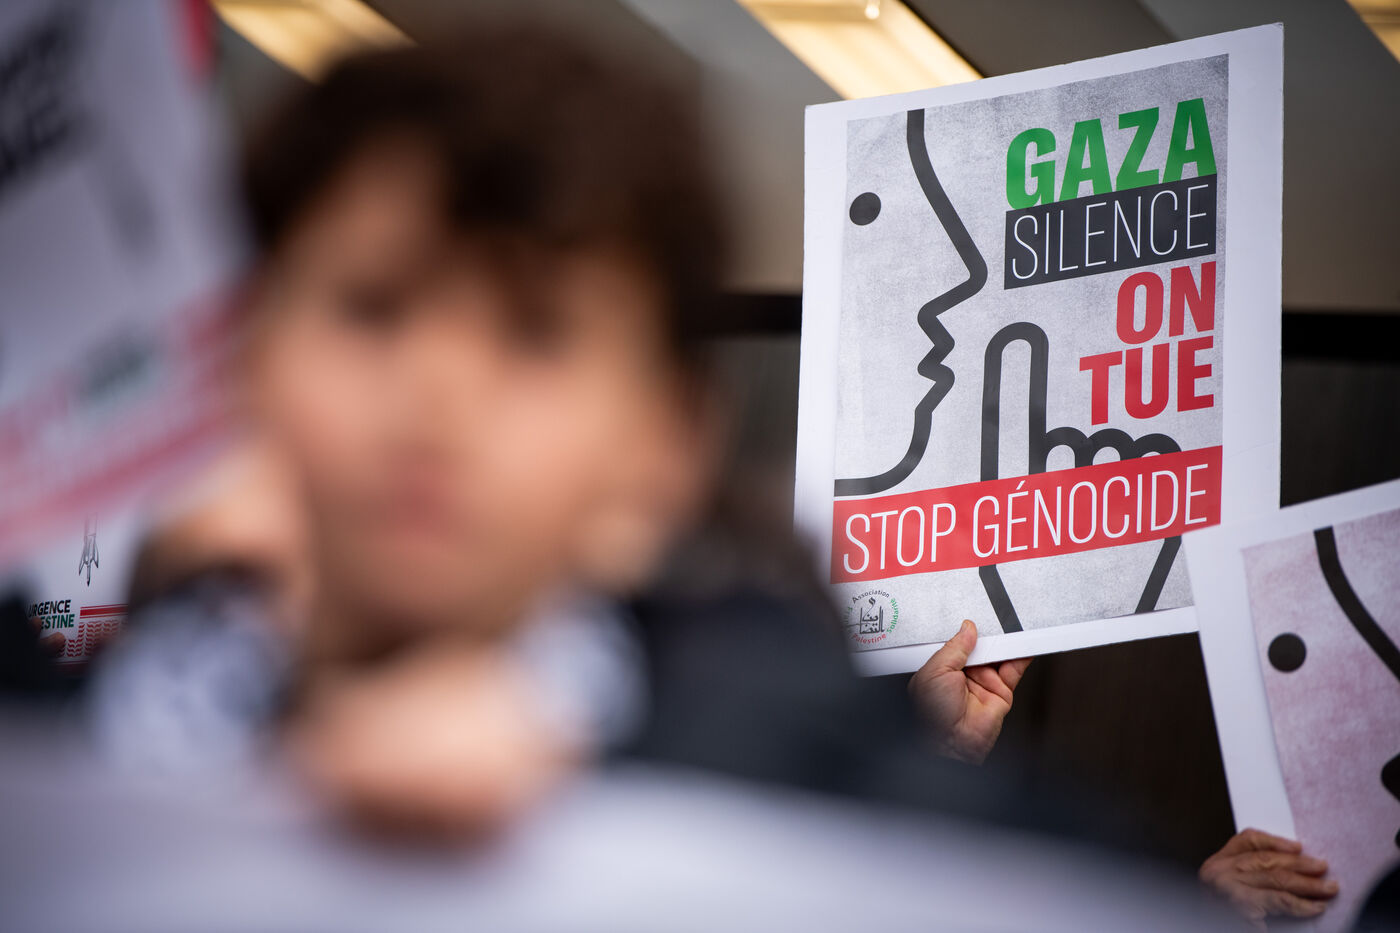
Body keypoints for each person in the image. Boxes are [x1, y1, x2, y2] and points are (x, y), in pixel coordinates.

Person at [90, 22, 1038, 842]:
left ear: (667, 438)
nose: (437, 398)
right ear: (240, 356)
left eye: (535, 332)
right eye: (373, 308)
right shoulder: (56, 735)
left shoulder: (807, 787)